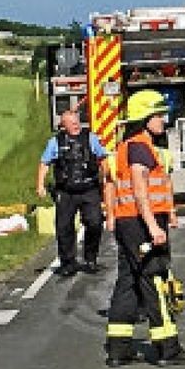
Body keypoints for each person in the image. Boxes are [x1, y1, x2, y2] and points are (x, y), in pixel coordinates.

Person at [104, 89, 185, 367]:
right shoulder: (140, 147)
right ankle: (168, 348)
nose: (163, 120)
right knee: (154, 278)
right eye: (158, 115)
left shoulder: (126, 146)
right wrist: (154, 226)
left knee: (128, 281)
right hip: (141, 223)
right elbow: (141, 190)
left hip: (127, 222)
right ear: (144, 118)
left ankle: (118, 348)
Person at [36, 108, 108, 276]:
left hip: (89, 189)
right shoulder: (55, 142)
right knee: (64, 227)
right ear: (63, 125)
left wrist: (106, 178)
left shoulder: (90, 138)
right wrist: (40, 185)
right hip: (66, 191)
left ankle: (90, 258)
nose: (75, 125)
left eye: (76, 122)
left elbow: (102, 158)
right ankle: (68, 262)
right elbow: (44, 163)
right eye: (71, 123)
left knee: (95, 223)